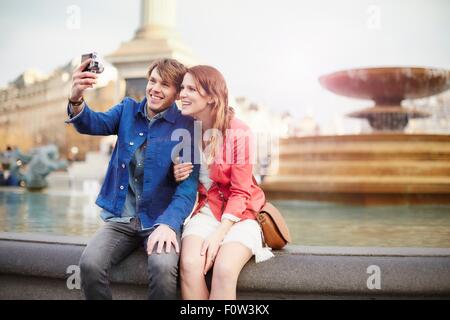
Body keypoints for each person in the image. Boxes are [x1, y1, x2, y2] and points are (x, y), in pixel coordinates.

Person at [65, 58, 199, 300]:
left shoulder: (187, 126)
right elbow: (92, 123)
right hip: (121, 218)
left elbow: (187, 190)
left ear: (178, 93)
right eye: (153, 81)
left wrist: (169, 224)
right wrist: (76, 97)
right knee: (90, 264)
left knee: (163, 266)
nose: (155, 89)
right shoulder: (127, 110)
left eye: (165, 85)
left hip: (161, 220)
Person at [173, 65, 274, 300]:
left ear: (210, 96)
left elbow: (241, 192)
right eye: (182, 88)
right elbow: (185, 178)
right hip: (207, 211)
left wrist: (219, 234)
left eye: (191, 89)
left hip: (240, 216)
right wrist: (177, 171)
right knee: (189, 265)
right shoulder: (188, 128)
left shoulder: (240, 132)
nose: (182, 94)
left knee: (224, 269)